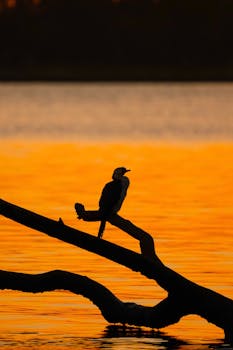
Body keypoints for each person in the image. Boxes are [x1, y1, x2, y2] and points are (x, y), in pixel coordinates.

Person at [75, 167, 130, 238]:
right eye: (122, 171)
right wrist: (108, 211)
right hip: (108, 211)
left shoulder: (110, 185)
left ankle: (100, 232)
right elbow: (114, 200)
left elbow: (103, 201)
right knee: (104, 221)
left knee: (103, 222)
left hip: (104, 210)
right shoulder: (119, 185)